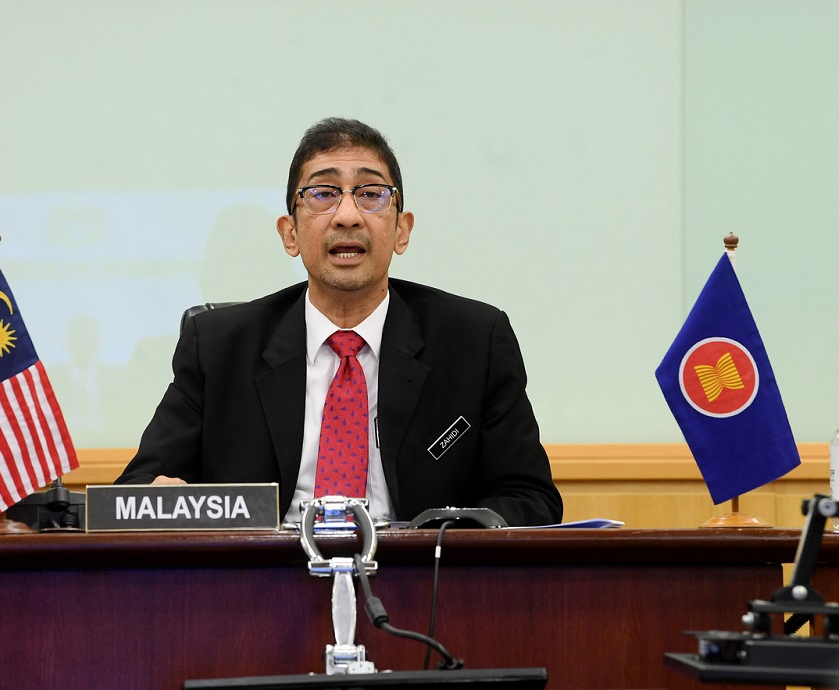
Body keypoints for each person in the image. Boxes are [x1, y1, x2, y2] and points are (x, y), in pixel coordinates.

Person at [116, 117, 563, 527]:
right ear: (290, 233)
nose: (347, 216)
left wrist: (437, 541)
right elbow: (133, 496)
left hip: (417, 576)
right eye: (323, 194)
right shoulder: (218, 347)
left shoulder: (475, 342)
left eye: (371, 194)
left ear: (402, 230)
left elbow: (530, 499)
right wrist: (165, 501)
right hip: (263, 578)